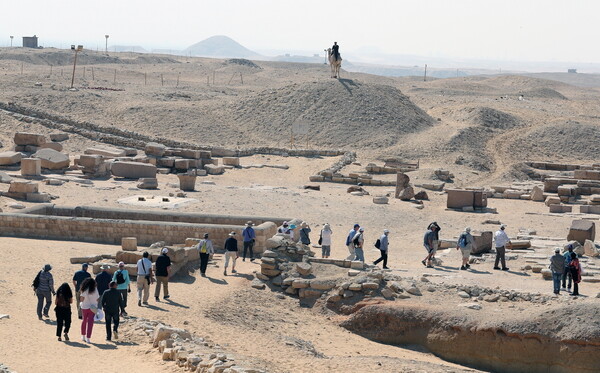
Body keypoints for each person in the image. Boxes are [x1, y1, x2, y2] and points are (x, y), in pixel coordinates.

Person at [79, 277, 99, 343]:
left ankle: (83, 336)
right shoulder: (95, 290)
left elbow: (81, 299)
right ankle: (88, 338)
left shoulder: (84, 290)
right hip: (93, 308)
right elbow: (97, 299)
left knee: (84, 321)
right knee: (90, 322)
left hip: (85, 307)